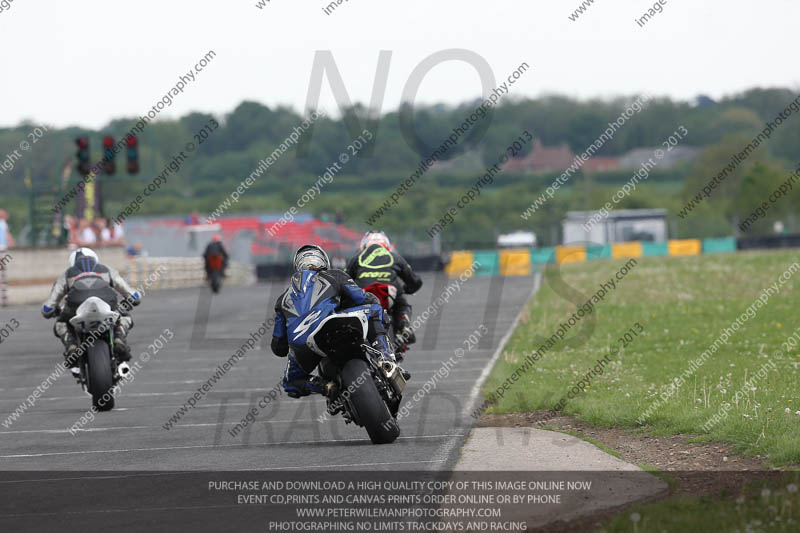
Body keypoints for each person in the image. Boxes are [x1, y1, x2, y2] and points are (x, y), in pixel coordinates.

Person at [271, 244, 396, 398]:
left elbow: (278, 347)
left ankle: (325, 386)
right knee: (376, 310)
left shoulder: (282, 298)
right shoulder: (334, 275)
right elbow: (364, 298)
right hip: (330, 325)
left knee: (290, 382)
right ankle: (385, 357)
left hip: (303, 345)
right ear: (323, 261)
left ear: (297, 265)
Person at [41, 248, 141, 372]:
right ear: (95, 259)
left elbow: (48, 307)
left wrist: (51, 311)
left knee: (61, 323)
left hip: (76, 304)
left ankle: (71, 346)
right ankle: (118, 337)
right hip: (107, 300)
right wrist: (132, 300)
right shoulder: (107, 270)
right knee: (124, 317)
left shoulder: (67, 274)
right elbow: (134, 296)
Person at [346, 231, 423, 350]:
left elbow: (345, 279)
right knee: (402, 302)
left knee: (345, 303)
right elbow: (415, 281)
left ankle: (347, 329)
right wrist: (406, 289)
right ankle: (404, 325)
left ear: (364, 246)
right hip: (388, 294)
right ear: (386, 245)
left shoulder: (357, 257)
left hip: (363, 296)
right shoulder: (395, 257)